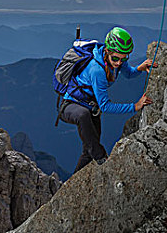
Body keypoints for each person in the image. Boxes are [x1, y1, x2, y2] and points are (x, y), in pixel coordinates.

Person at [60, 27, 157, 173]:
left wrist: (140, 68)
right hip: (70, 106)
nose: (119, 62)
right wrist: (135, 106)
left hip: (91, 108)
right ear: (107, 51)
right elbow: (105, 106)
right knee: (86, 127)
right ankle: (100, 156)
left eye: (123, 58)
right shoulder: (97, 70)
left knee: (88, 151)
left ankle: (72, 188)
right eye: (116, 58)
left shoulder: (116, 60)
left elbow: (128, 73)